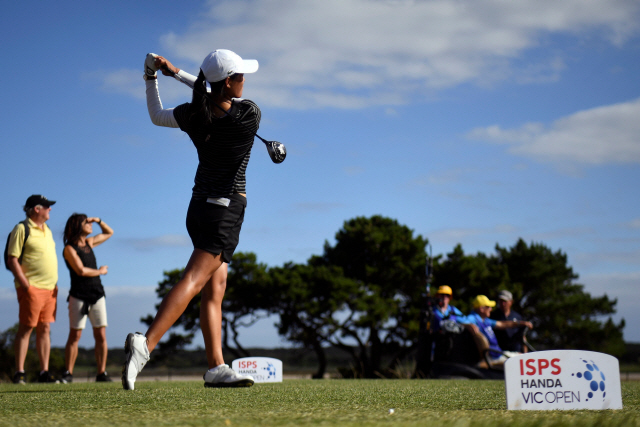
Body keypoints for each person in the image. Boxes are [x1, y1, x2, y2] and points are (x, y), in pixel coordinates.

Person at [122, 49, 261, 390]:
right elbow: (213, 95)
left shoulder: (192, 115)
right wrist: (180, 74)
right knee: (195, 281)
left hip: (198, 208)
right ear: (228, 82)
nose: (245, 80)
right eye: (240, 76)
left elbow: (156, 115)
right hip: (225, 211)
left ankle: (216, 366)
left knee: (216, 285)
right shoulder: (249, 116)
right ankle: (146, 344)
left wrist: (153, 77)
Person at [6, 195, 59, 384]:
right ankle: (19, 372)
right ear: (36, 209)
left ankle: (44, 372)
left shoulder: (48, 230)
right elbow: (13, 259)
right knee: (26, 328)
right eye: (47, 207)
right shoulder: (22, 228)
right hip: (32, 288)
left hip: (50, 289)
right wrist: (26, 285)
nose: (50, 209)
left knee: (45, 328)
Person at [61, 214, 114, 383]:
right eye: (86, 222)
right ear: (76, 226)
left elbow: (109, 232)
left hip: (97, 294)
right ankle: (68, 373)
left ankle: (101, 373)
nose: (89, 224)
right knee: (75, 336)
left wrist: (98, 220)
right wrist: (100, 271)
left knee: (101, 335)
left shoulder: (89, 243)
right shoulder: (69, 249)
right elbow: (81, 271)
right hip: (78, 296)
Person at [466, 295, 533, 365]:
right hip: (492, 357)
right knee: (526, 361)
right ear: (481, 309)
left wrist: (521, 323)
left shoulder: (485, 320)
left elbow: (502, 324)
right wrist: (468, 325)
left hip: (498, 354)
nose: (491, 309)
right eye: (488, 307)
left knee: (524, 356)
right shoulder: (472, 318)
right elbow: (463, 322)